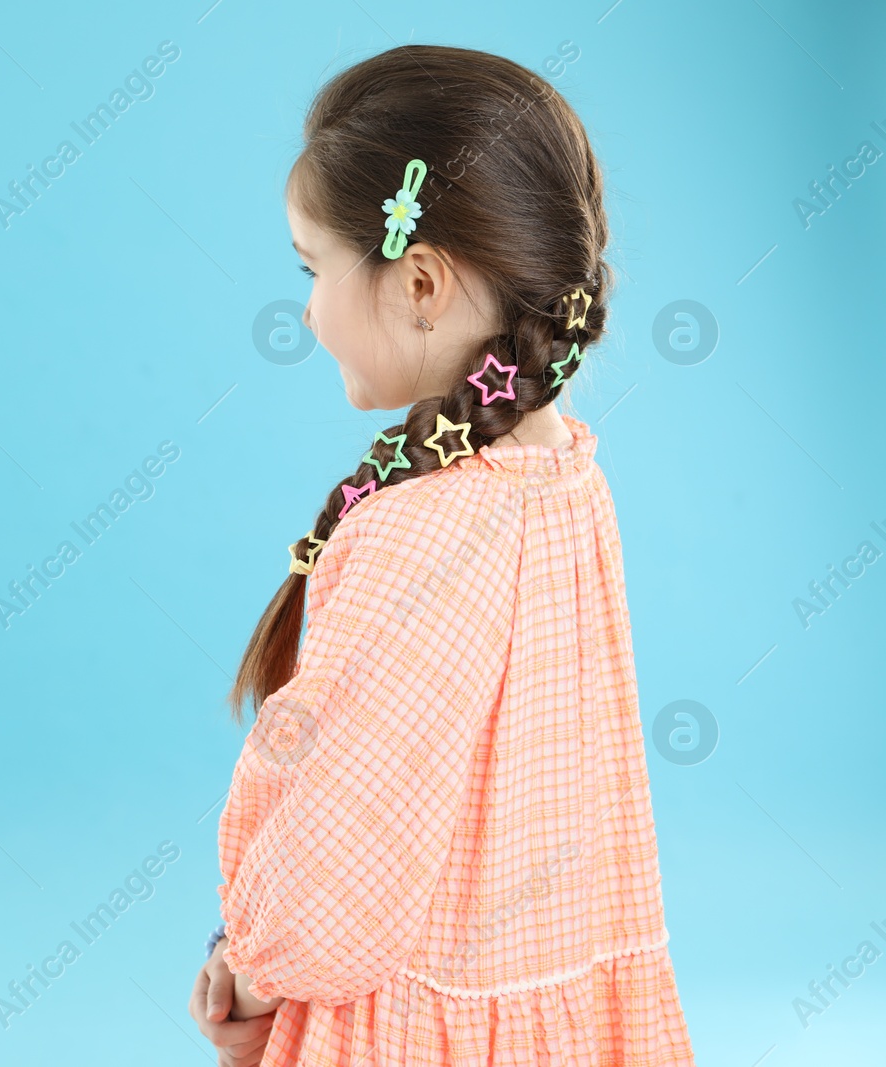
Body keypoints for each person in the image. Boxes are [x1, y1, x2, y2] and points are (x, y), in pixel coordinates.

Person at [186, 44, 695, 1066]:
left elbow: (346, 838)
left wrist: (253, 970)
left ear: (418, 279)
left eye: (311, 267)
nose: (306, 310)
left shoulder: (415, 528)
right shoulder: (569, 482)